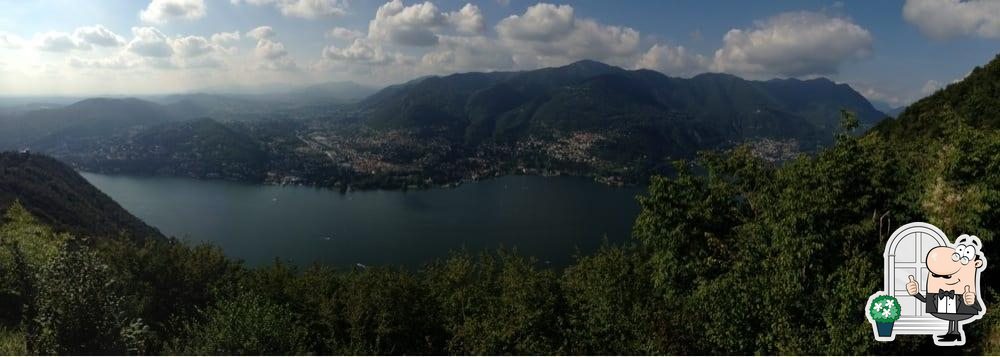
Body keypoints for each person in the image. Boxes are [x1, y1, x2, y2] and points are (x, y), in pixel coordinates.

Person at [906, 234, 986, 344]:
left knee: (955, 317)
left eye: (947, 276)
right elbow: (926, 300)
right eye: (935, 275)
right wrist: (915, 293)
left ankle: (955, 333)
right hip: (945, 309)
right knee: (952, 317)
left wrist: (971, 302)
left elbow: (979, 308)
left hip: (961, 309)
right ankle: (952, 333)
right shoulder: (936, 293)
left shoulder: (966, 292)